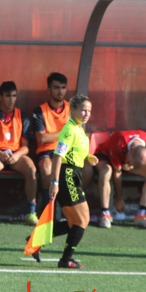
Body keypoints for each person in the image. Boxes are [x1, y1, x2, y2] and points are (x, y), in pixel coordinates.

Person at [38, 94, 99, 269]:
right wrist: (54, 182)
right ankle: (65, 260)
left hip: (73, 175)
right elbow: (58, 155)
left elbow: (74, 151)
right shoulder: (70, 129)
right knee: (82, 220)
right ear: (73, 110)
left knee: (75, 222)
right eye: (83, 110)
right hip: (68, 176)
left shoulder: (79, 129)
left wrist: (88, 157)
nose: (86, 114)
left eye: (89, 111)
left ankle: (37, 240)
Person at [0, 81, 38, 226]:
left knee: (31, 169)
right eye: (7, 96)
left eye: (14, 96)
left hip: (15, 154)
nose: (11, 99)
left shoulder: (22, 116)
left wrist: (17, 155)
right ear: (0, 97)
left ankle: (31, 212)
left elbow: (25, 147)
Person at [88, 130, 146, 229]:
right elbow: (117, 172)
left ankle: (141, 215)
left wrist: (135, 164)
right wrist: (119, 198)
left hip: (125, 162)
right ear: (132, 149)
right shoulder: (119, 143)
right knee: (106, 172)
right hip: (105, 155)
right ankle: (105, 214)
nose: (132, 167)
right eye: (131, 163)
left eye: (134, 165)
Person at [32, 72, 70, 214]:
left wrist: (53, 135)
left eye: (63, 87)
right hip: (47, 150)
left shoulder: (72, 108)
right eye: (56, 87)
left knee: (87, 169)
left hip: (67, 149)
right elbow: (41, 139)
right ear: (48, 90)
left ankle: (70, 204)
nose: (60, 91)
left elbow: (76, 134)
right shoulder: (39, 110)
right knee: (47, 168)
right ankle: (48, 206)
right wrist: (64, 132)